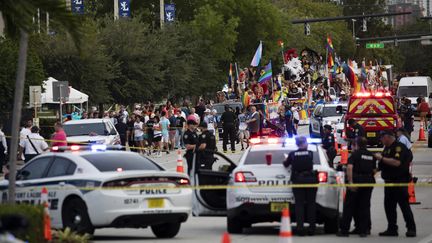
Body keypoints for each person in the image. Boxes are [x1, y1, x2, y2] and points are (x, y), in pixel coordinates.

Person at [374, 130, 416, 237]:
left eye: (382, 138)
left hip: (399, 182)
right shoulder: (387, 148)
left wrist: (382, 158)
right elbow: (381, 165)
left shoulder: (399, 147)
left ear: (388, 137)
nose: (381, 140)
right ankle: (392, 228)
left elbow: (397, 163)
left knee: (404, 206)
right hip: (389, 182)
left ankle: (411, 229)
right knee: (389, 207)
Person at [338, 137, 376, 237]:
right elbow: (375, 170)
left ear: (356, 145)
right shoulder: (371, 155)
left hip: (356, 181)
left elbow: (350, 168)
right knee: (364, 206)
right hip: (368, 182)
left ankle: (344, 230)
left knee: (349, 206)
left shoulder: (355, 155)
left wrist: (350, 182)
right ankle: (363, 230)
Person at [283, 136, 317, 236]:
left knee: (299, 205)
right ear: (304, 143)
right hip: (310, 181)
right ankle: (312, 228)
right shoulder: (310, 153)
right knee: (311, 205)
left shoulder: (292, 154)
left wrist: (286, 159)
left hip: (298, 181)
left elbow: (286, 164)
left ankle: (300, 228)